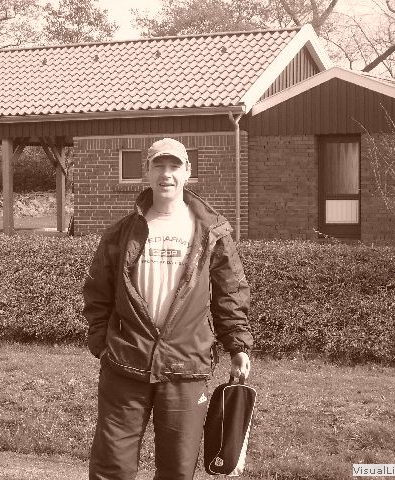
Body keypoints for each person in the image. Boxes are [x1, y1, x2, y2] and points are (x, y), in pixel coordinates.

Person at [83, 137, 254, 480]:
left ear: (188, 171)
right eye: (158, 166)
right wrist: (102, 343)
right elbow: (97, 293)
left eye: (174, 166)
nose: (166, 174)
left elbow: (230, 292)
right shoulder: (120, 232)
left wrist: (237, 345)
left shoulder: (212, 231)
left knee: (177, 469)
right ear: (145, 172)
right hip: (125, 362)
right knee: (111, 466)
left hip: (186, 365)